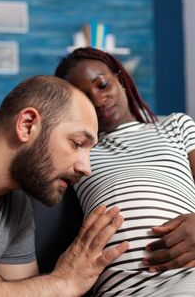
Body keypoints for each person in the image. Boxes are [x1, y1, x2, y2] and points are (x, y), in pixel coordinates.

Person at [0, 75, 129, 296]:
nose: (86, 168)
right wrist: (61, 283)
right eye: (77, 143)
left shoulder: (17, 207)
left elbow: (27, 291)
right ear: (27, 125)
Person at [55, 47, 195, 296]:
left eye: (102, 85)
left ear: (120, 78)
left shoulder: (176, 126)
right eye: (84, 99)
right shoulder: (76, 150)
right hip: (124, 289)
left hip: (188, 275)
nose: (98, 100)